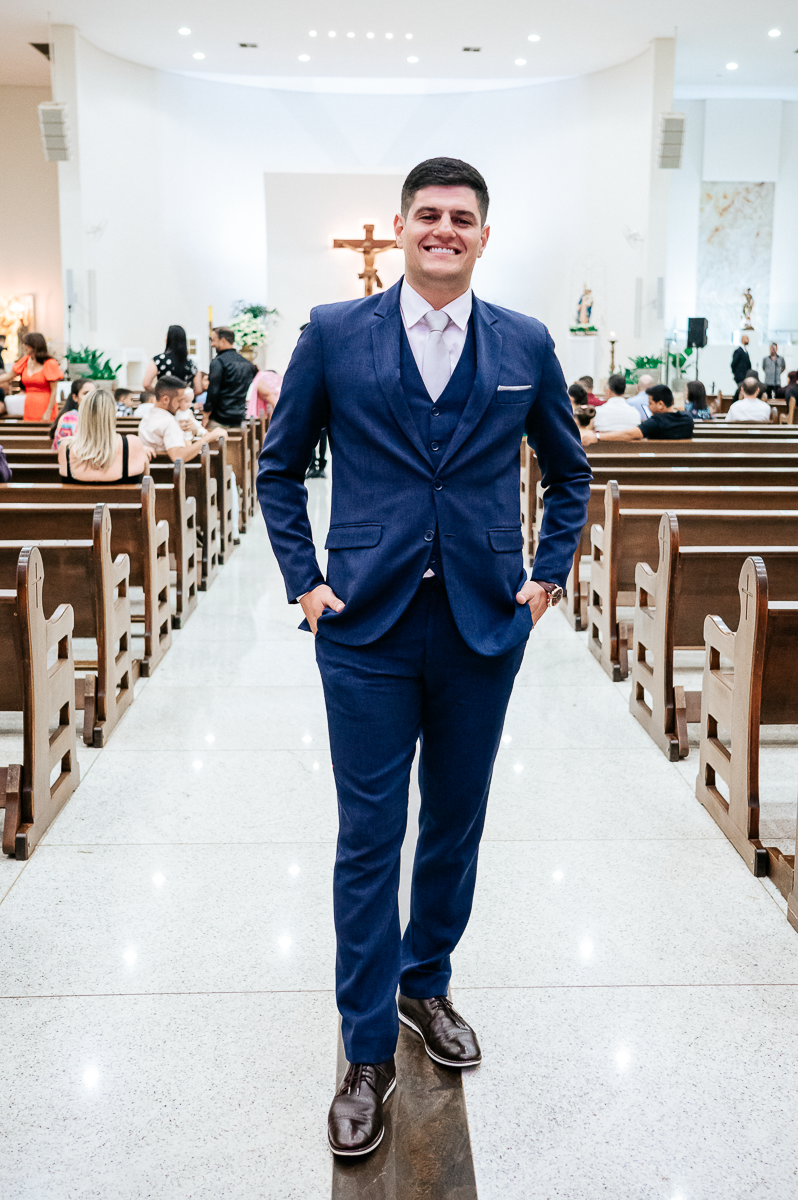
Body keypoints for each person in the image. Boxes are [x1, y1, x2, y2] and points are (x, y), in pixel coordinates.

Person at [257, 156, 591, 1158]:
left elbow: (570, 473)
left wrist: (547, 576)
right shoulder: (335, 334)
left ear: (485, 237)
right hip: (362, 624)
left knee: (453, 822)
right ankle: (365, 1051)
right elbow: (279, 468)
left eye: (463, 218)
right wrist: (305, 583)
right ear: (399, 228)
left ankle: (426, 983)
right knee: (369, 836)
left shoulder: (526, 342)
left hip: (485, 622)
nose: (444, 229)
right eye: (428, 215)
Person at [57, 388, 149, 484]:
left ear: (82, 414)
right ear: (113, 413)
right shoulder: (132, 444)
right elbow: (146, 485)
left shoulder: (66, 448)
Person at [138, 375, 221, 462]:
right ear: (165, 399)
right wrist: (208, 438)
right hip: (170, 473)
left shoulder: (146, 418)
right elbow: (178, 456)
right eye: (178, 401)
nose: (180, 405)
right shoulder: (168, 422)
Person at [581, 383, 693, 443]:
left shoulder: (655, 422)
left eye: (650, 403)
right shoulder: (687, 419)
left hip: (657, 464)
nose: (648, 406)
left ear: (660, 404)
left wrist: (597, 436)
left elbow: (628, 434)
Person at [0, 332, 64, 421]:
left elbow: (54, 391)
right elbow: (8, 376)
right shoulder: (25, 360)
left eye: (26, 344)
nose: (24, 346)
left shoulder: (49, 363)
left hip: (45, 405)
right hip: (30, 405)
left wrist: (48, 412)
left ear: (34, 345)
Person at [203, 327, 256, 431]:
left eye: (213, 340)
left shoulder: (218, 362)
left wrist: (206, 414)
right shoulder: (248, 364)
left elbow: (213, 391)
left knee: (215, 446)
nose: (211, 344)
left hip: (219, 418)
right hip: (239, 416)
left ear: (222, 341)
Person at [141, 325, 201, 395]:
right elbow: (198, 389)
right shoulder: (191, 364)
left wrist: (159, 394)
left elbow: (146, 384)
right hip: (183, 402)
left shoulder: (158, 360)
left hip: (164, 401)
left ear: (168, 340)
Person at [51, 378, 95, 447]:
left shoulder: (98, 416)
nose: (90, 397)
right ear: (75, 397)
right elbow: (64, 449)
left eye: (93, 394)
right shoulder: (68, 419)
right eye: (86, 393)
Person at [731, 335, 752, 399]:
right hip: (740, 376)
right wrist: (737, 374)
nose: (748, 340)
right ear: (742, 340)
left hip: (745, 376)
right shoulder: (738, 351)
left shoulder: (745, 351)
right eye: (746, 338)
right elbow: (733, 364)